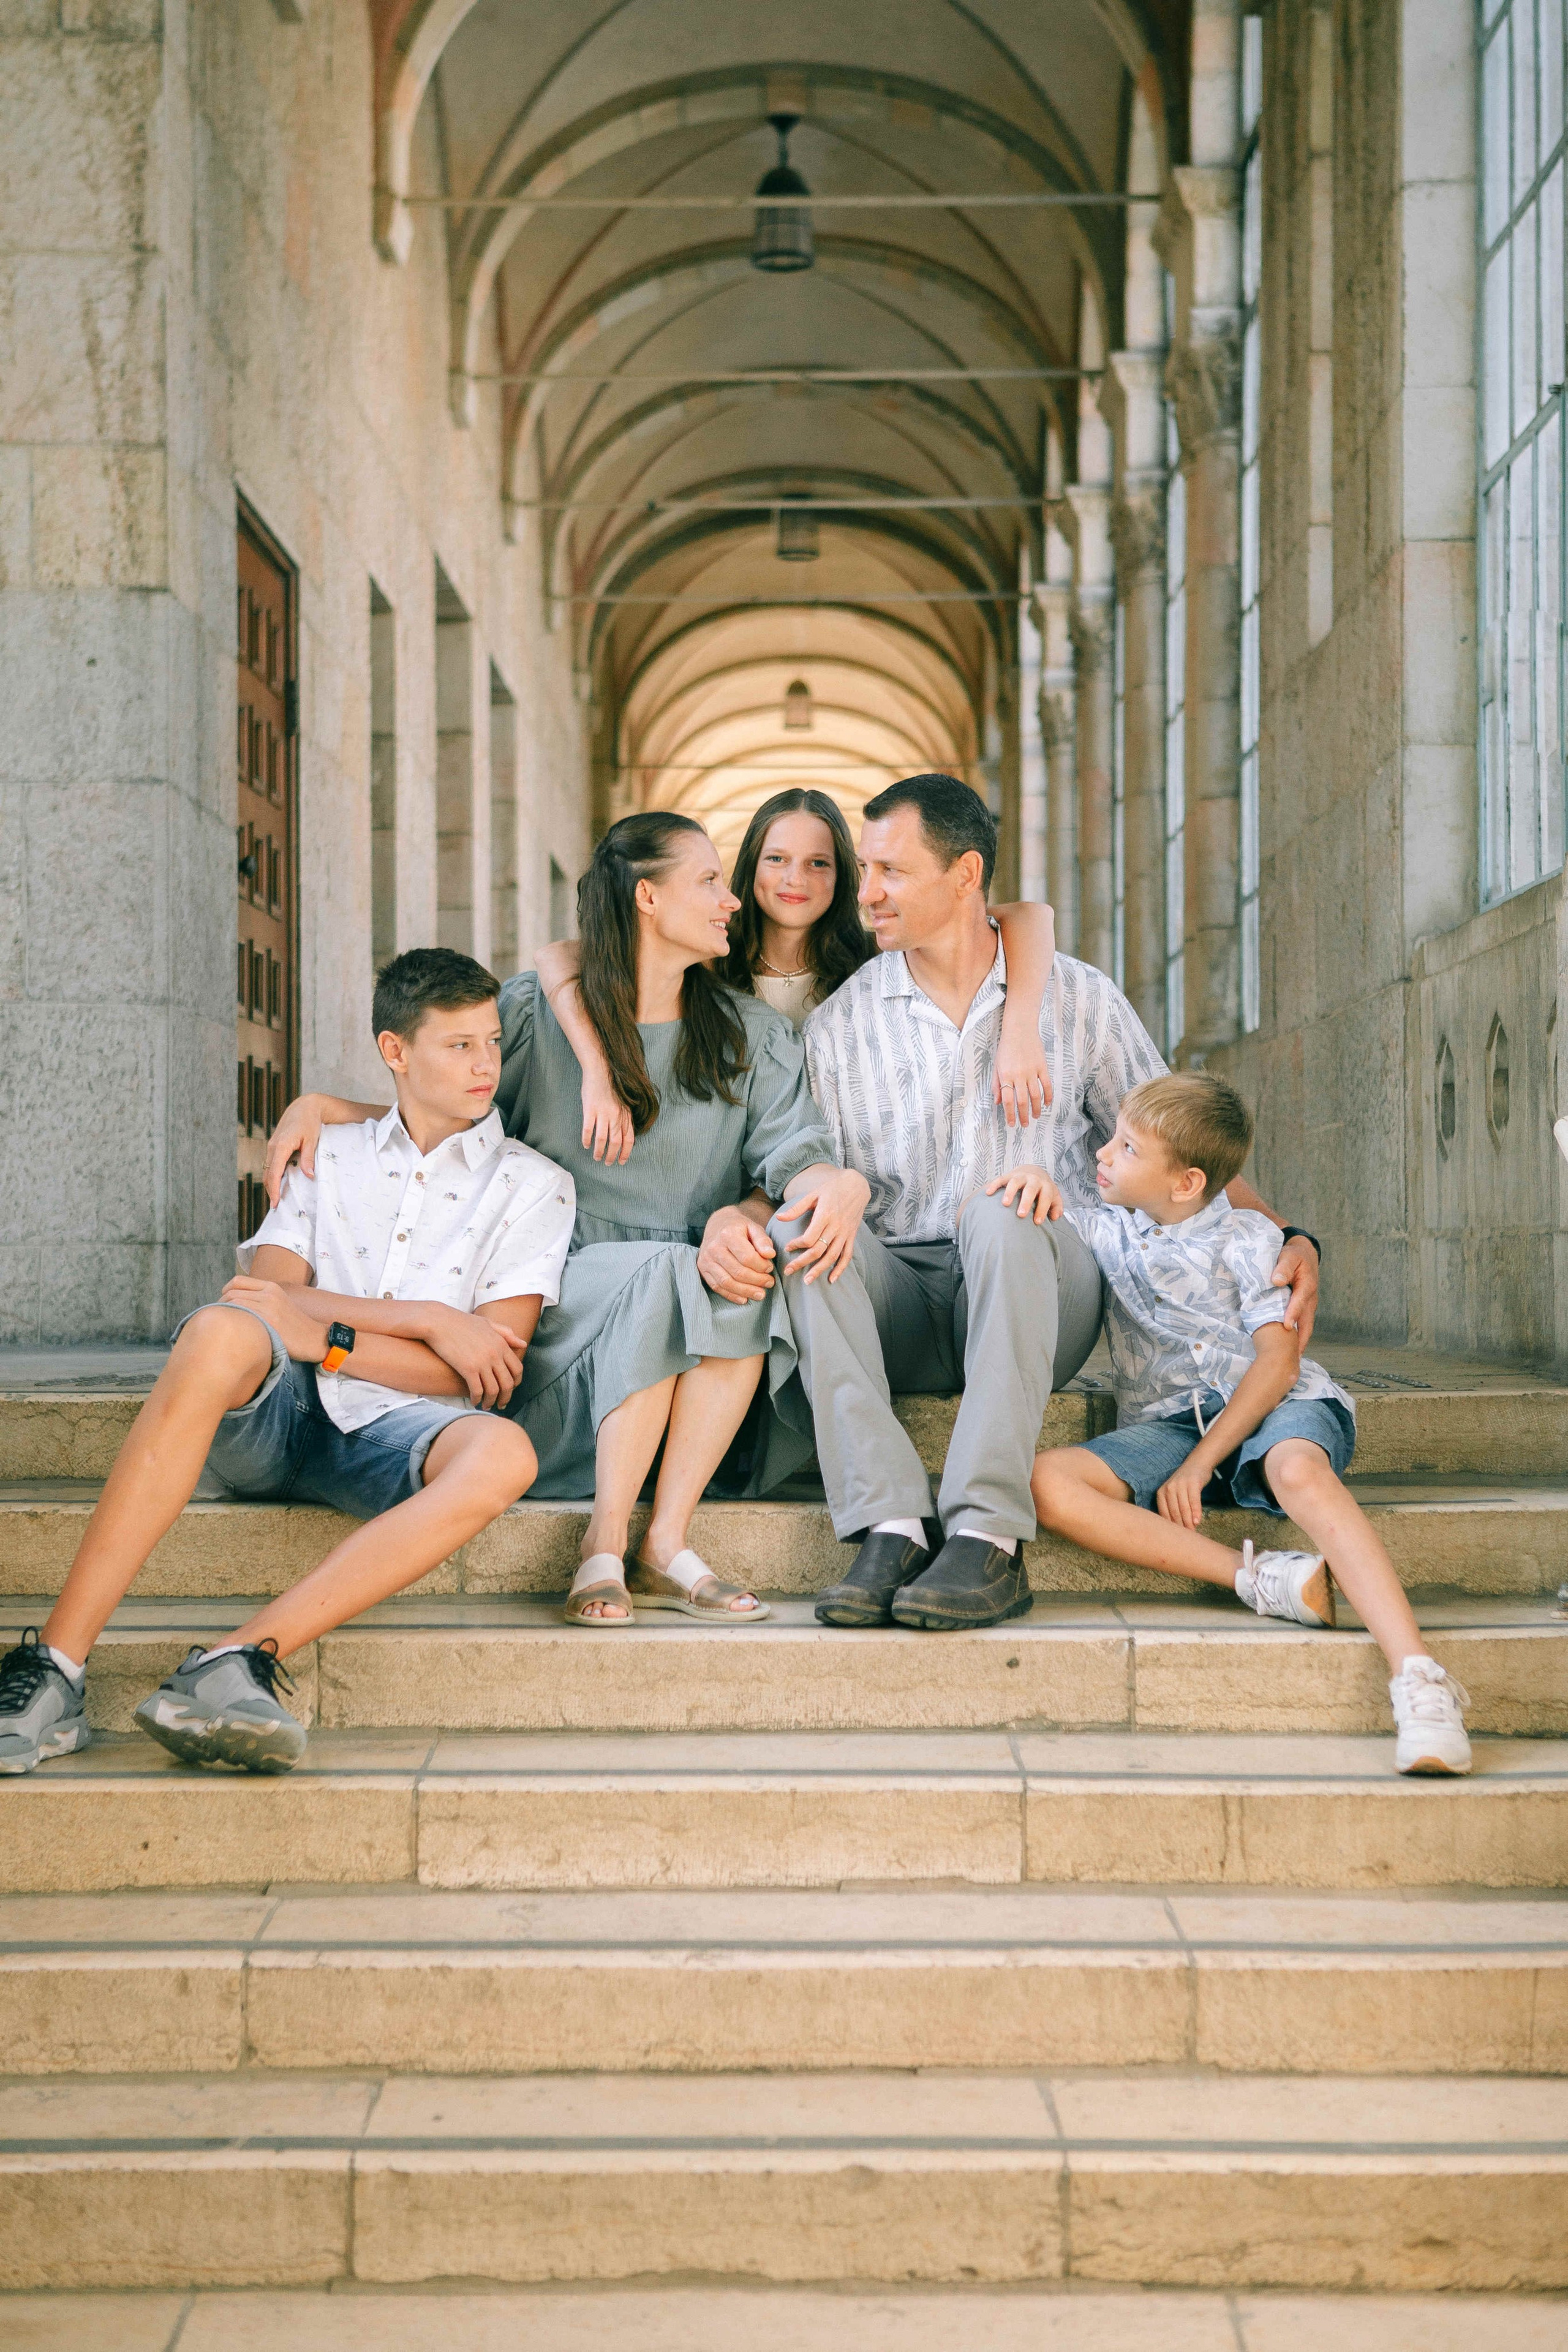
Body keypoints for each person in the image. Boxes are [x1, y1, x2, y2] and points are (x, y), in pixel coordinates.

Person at [266, 812, 865, 1629]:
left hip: (694, 1303)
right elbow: (443, 1104)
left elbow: (791, 1155)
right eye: (709, 882)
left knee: (741, 1269)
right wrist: (324, 1106)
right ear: (646, 897)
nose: (731, 902)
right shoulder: (535, 1015)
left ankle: (668, 1541)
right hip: (547, 1304)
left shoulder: (751, 1035)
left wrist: (776, 1201)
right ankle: (605, 1539)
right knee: (668, 1275)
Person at [776, 771, 1325, 1633]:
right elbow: (808, 1172)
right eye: (865, 870)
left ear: (965, 877)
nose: (866, 893)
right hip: (905, 1300)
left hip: (1041, 1284)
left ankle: (987, 1535)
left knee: (1003, 1211)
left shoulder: (1073, 999)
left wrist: (1285, 1232)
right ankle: (888, 1522)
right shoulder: (840, 1025)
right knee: (800, 1230)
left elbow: (1181, 1146)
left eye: (890, 872)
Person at [0, 949, 573, 1776]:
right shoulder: (325, 1154)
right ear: (396, 1052)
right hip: (281, 1415)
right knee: (216, 1333)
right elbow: (261, 1302)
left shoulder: (533, 1186)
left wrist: (334, 1333)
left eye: (491, 1042)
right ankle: (53, 1669)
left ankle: (230, 1663)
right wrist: (426, 1319)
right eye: (459, 1045)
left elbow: (478, 1372)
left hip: (400, 1434)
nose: (486, 1065)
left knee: (504, 1451)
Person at [1028, 1072, 1472, 1775]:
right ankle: (1260, 1578)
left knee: (1294, 1467)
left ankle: (1419, 1677)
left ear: (1185, 1182)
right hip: (1167, 1422)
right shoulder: (1104, 1229)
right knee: (1049, 1481)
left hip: (1271, 1407)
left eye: (1126, 1148)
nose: (1102, 1157)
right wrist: (1028, 1180)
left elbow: (1277, 1366)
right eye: (1111, 1139)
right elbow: (1041, 1213)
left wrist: (1201, 1463)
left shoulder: (1251, 1239)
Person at [533, 785, 1058, 1167]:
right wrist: (597, 1070)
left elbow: (1029, 916)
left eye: (818, 864)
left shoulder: (872, 970)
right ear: (751, 864)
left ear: (843, 874)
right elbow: (564, 957)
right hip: (721, 1173)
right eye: (777, 858)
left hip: (829, 1170)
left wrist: (1020, 1026)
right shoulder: (707, 953)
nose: (794, 880)